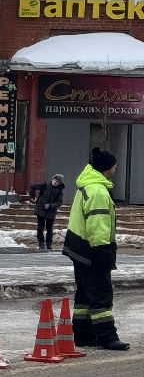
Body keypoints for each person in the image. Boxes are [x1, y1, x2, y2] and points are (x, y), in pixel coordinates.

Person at [62, 147, 128, 350]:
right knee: (100, 293)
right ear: (107, 167)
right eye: (114, 164)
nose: (116, 167)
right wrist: (103, 252)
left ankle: (82, 335)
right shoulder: (98, 190)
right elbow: (97, 225)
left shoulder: (87, 186)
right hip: (92, 249)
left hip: (79, 247)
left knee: (84, 294)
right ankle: (107, 337)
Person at [28, 172, 65, 250]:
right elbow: (32, 186)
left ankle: (49, 244)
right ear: (52, 179)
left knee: (49, 229)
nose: (55, 182)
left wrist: (51, 206)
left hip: (51, 212)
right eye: (54, 180)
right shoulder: (45, 185)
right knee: (40, 228)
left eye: (57, 181)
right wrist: (32, 196)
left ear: (60, 183)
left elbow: (59, 202)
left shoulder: (60, 191)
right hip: (41, 210)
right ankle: (41, 244)